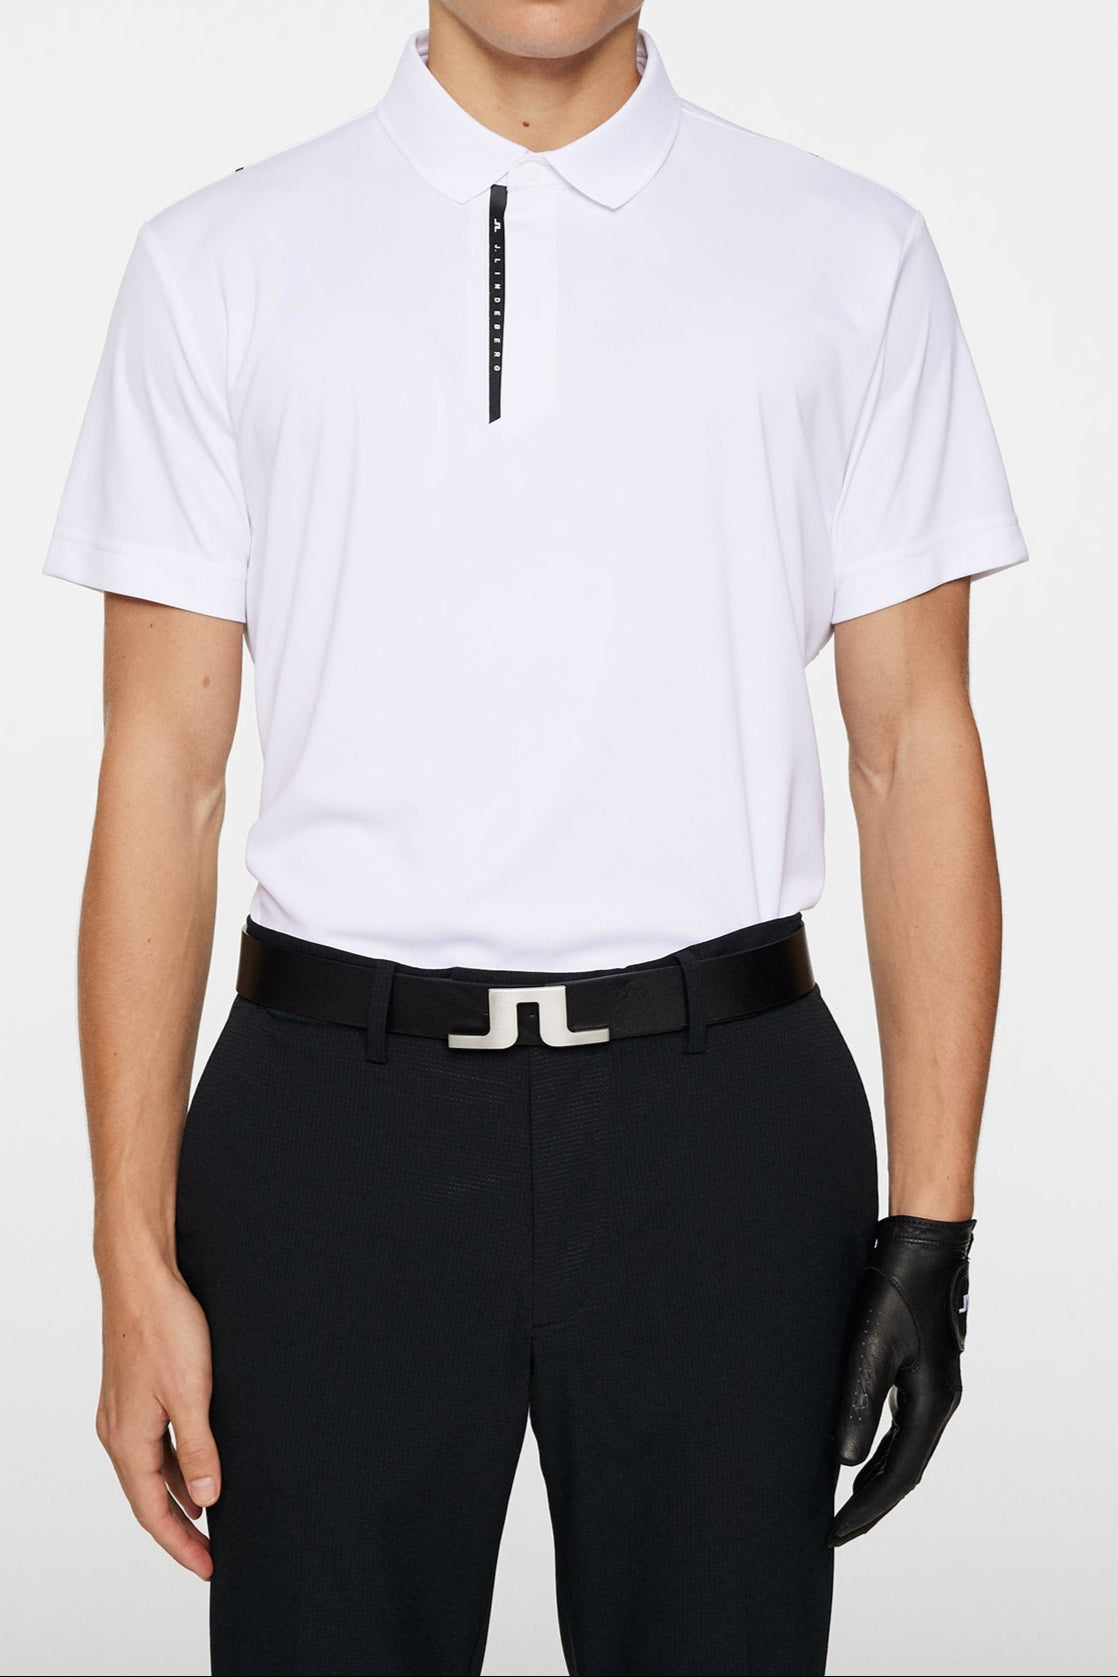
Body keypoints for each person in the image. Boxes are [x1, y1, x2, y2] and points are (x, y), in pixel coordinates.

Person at [41, 5, 1028, 1674]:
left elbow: (910, 743)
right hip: (327, 1133)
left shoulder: (849, 256)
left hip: (724, 1130)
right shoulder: (217, 265)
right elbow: (163, 770)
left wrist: (934, 1222)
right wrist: (127, 1249)